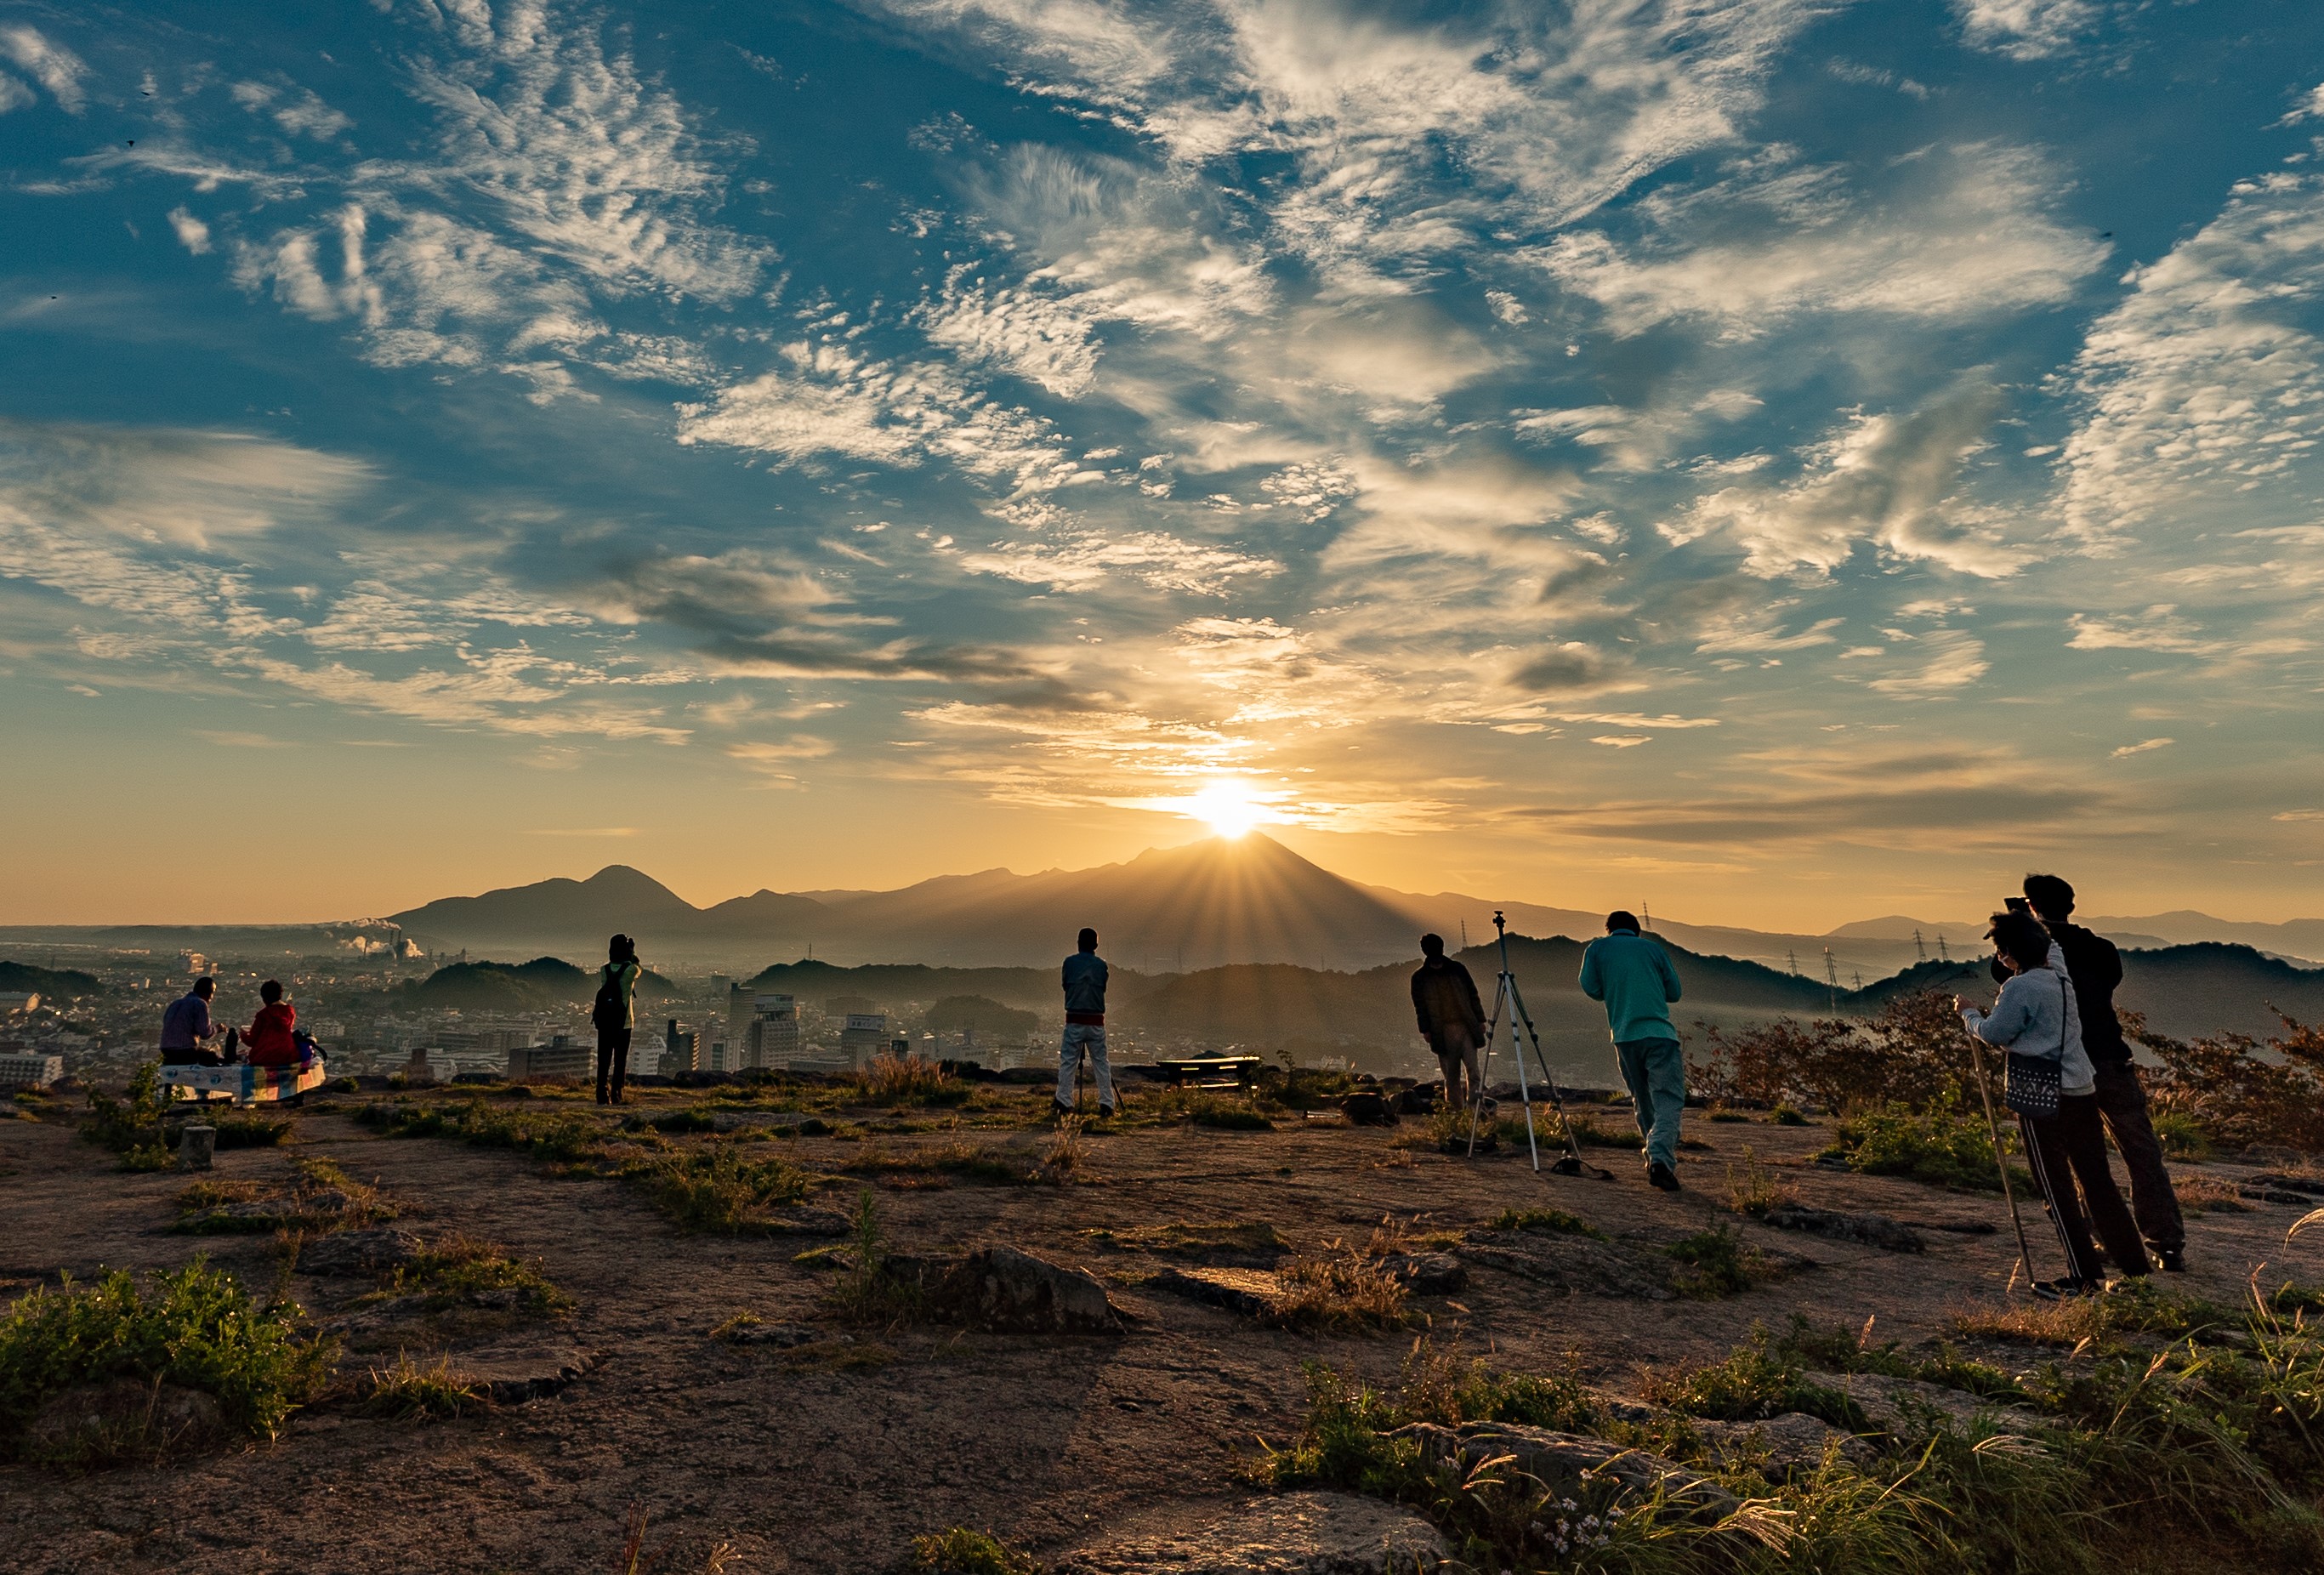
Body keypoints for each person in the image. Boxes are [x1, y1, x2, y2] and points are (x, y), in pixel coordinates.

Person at [2001, 874, 2187, 1271]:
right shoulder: (2102, 949)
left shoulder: (2040, 949)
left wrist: (2021, 924)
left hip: (2062, 1067)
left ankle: (2098, 1241)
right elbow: (2109, 983)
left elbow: (2006, 973)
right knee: (2141, 1151)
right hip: (2110, 1057)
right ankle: (2166, 1242)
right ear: (2072, 905)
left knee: (2077, 1157)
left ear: (2033, 906)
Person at [1962, 910, 2149, 1299]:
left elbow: (1996, 1033)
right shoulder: (2060, 976)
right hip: (2081, 1087)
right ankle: (2134, 1270)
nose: (2000, 959)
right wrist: (2028, 920)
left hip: (2041, 1093)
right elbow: (2054, 946)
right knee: (2098, 1181)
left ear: (2010, 953)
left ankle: (2084, 1278)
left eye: (2001, 952)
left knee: (2055, 1185)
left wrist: (1968, 1015)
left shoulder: (2020, 988)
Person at [1578, 911, 1685, 1191]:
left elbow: (1590, 987)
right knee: (1668, 1100)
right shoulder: (1653, 949)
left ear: (1609, 929)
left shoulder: (1597, 949)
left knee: (1642, 1099)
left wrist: (1614, 988)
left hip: (1624, 1036)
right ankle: (1660, 1159)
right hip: (1659, 1034)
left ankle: (1654, 1157)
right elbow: (1674, 993)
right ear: (1637, 931)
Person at [1411, 934, 1487, 1113]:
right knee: (1452, 1075)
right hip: (1442, 1030)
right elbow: (1420, 1006)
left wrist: (1480, 1019)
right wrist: (1426, 1030)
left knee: (1472, 1071)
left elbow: (1472, 994)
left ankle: (1475, 1110)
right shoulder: (1420, 978)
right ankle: (1456, 1111)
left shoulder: (1457, 969)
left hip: (1465, 1025)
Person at [1057, 927, 1116, 1120]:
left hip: (1074, 1019)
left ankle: (1064, 1101)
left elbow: (1065, 985)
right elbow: (1104, 987)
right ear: (1096, 945)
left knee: (1068, 1062)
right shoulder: (1102, 966)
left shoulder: (1069, 963)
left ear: (1078, 943)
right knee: (1101, 1063)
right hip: (1096, 1021)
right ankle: (1107, 1103)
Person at [594, 934, 642, 1106]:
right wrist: (632, 950)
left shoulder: (604, 970)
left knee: (604, 1058)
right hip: (624, 1022)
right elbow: (638, 966)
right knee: (620, 1059)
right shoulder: (630, 970)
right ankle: (617, 1093)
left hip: (605, 1021)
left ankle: (601, 1092)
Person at [160, 977, 222, 1066]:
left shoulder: (175, 1003)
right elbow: (205, 1033)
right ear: (208, 993)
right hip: (185, 1052)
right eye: (213, 993)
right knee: (213, 1058)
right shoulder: (200, 1003)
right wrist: (218, 1028)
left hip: (166, 1052)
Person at [239, 980, 299, 1066]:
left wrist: (243, 1034)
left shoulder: (263, 1015)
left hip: (265, 1057)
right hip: (288, 1055)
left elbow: (251, 1041)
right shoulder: (289, 1011)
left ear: (264, 998)